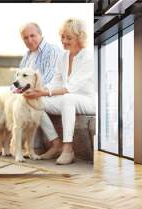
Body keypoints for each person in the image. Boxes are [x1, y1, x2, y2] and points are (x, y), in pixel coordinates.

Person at [0, 22, 61, 156]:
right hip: (26, 96)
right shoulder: (26, 56)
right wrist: (14, 93)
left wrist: (32, 92)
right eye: (25, 38)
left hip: (45, 94)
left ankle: (55, 144)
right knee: (7, 104)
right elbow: (17, 83)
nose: (29, 40)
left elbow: (49, 79)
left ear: (40, 34)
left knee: (36, 106)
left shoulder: (52, 50)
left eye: (33, 36)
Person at [23, 18, 95, 165]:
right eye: (62, 36)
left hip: (87, 100)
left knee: (68, 98)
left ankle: (68, 149)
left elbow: (70, 88)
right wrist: (37, 91)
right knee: (34, 102)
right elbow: (54, 83)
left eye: (69, 37)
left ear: (79, 38)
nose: (63, 40)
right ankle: (56, 144)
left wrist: (42, 93)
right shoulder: (63, 57)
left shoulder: (88, 57)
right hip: (66, 99)